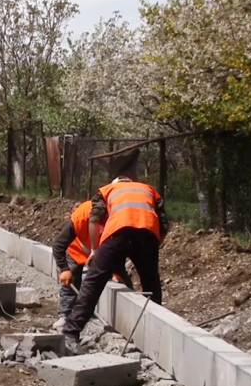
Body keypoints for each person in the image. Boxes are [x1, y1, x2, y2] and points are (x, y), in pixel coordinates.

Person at [61, 149, 169, 352]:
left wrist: (94, 250)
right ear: (132, 176)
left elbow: (95, 219)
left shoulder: (107, 190)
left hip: (117, 233)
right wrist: (153, 246)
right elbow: (163, 224)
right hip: (148, 234)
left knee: (94, 281)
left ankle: (71, 332)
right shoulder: (150, 189)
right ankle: (156, 336)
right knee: (151, 282)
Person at [51, 200, 134, 330]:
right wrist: (64, 269)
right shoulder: (82, 215)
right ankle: (65, 315)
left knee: (120, 278)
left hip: (103, 251)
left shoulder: (119, 217)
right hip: (77, 249)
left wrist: (117, 272)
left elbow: (120, 248)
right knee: (71, 278)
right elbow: (58, 245)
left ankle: (132, 315)